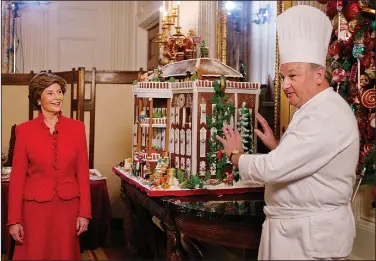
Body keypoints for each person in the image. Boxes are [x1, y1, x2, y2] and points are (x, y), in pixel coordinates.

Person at [217, 5, 359, 260]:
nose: (285, 85)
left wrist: (236, 155)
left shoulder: (324, 113)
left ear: (318, 75)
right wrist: (277, 145)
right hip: (297, 232)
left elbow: (273, 169)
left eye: (292, 75)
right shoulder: (316, 107)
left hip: (308, 238)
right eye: (283, 77)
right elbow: (309, 162)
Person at [7, 72, 92, 260]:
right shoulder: (24, 130)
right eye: (50, 93)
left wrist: (84, 213)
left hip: (67, 209)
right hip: (34, 211)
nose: (58, 97)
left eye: (60, 92)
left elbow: (83, 175)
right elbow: (17, 178)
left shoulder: (77, 128)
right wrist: (14, 220)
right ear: (38, 99)